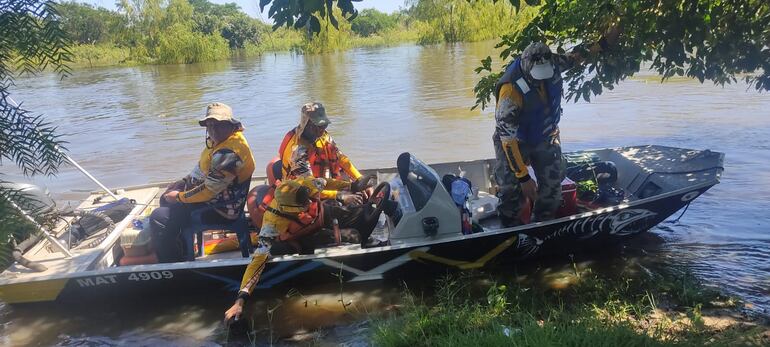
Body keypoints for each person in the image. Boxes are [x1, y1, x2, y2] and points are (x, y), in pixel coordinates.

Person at [224, 174, 388, 322]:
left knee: (355, 213)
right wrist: (240, 301)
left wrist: (352, 187)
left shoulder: (304, 183)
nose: (309, 202)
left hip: (321, 216)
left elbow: (326, 182)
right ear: (289, 209)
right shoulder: (272, 224)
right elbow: (256, 263)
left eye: (308, 198)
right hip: (300, 237)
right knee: (347, 237)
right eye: (304, 203)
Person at [493, 34, 618, 226]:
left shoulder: (552, 64)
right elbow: (507, 141)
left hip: (545, 136)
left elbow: (579, 55)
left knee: (552, 187)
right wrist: (524, 177)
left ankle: (543, 223)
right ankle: (510, 227)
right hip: (514, 141)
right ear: (527, 68)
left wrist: (603, 42)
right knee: (511, 190)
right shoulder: (510, 92)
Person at [150, 103, 255, 262]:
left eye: (220, 125)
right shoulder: (217, 142)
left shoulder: (228, 153)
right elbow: (200, 169)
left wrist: (179, 197)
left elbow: (208, 190)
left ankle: (172, 263)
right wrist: (182, 182)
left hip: (222, 210)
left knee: (159, 217)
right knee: (165, 198)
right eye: (210, 125)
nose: (214, 130)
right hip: (214, 198)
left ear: (231, 125)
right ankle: (183, 248)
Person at [278, 102, 367, 205]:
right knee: (337, 209)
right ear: (307, 125)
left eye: (324, 125)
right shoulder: (297, 150)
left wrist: (359, 179)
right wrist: (340, 196)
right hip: (300, 193)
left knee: (362, 195)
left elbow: (340, 158)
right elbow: (309, 187)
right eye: (319, 126)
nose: (322, 129)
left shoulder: (323, 135)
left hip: (324, 184)